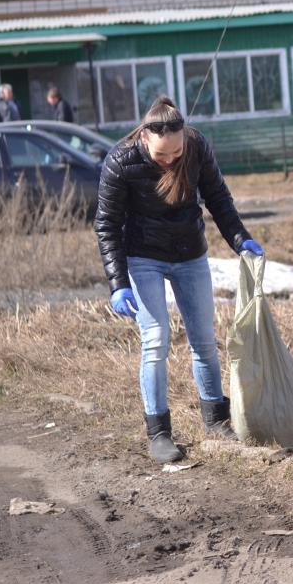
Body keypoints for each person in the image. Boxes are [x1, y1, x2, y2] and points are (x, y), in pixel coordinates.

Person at [94, 96, 264, 463]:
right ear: (144, 137)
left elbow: (218, 197)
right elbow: (107, 224)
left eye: (176, 153)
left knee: (204, 340)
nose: (171, 160)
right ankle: (159, 432)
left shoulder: (196, 146)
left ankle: (216, 418)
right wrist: (118, 282)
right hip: (143, 258)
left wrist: (239, 238)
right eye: (162, 156)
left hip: (190, 255)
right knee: (156, 341)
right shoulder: (121, 161)